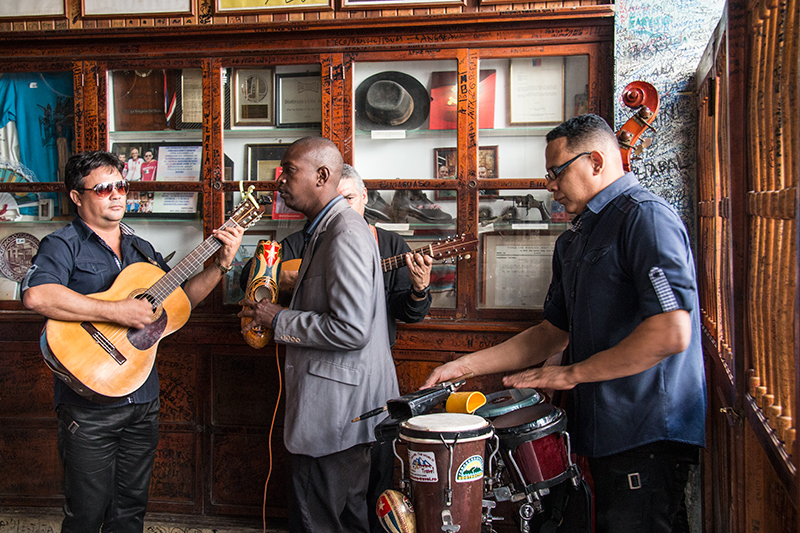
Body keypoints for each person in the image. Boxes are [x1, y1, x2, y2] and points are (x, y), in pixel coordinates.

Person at [422, 114, 706, 533]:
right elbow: (551, 332)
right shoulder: (575, 237)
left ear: (595, 161)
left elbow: (671, 330)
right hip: (602, 428)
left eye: (556, 172)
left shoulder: (645, 217)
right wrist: (463, 367)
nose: (549, 185)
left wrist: (570, 373)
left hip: (645, 429)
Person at [21, 150, 243, 533]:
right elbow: (37, 296)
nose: (116, 195)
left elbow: (182, 301)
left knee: (130, 512)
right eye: (104, 188)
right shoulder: (62, 244)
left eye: (120, 186)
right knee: (86, 515)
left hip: (142, 401)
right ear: (77, 196)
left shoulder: (141, 250)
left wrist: (221, 263)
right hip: (87, 407)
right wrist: (116, 312)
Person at [238, 137, 399, 533]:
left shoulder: (343, 233)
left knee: (319, 522)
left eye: (289, 170)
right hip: (346, 413)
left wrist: (279, 319)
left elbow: (351, 328)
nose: (280, 180)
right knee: (347, 520)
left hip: (335, 416)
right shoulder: (329, 228)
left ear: (322, 176)